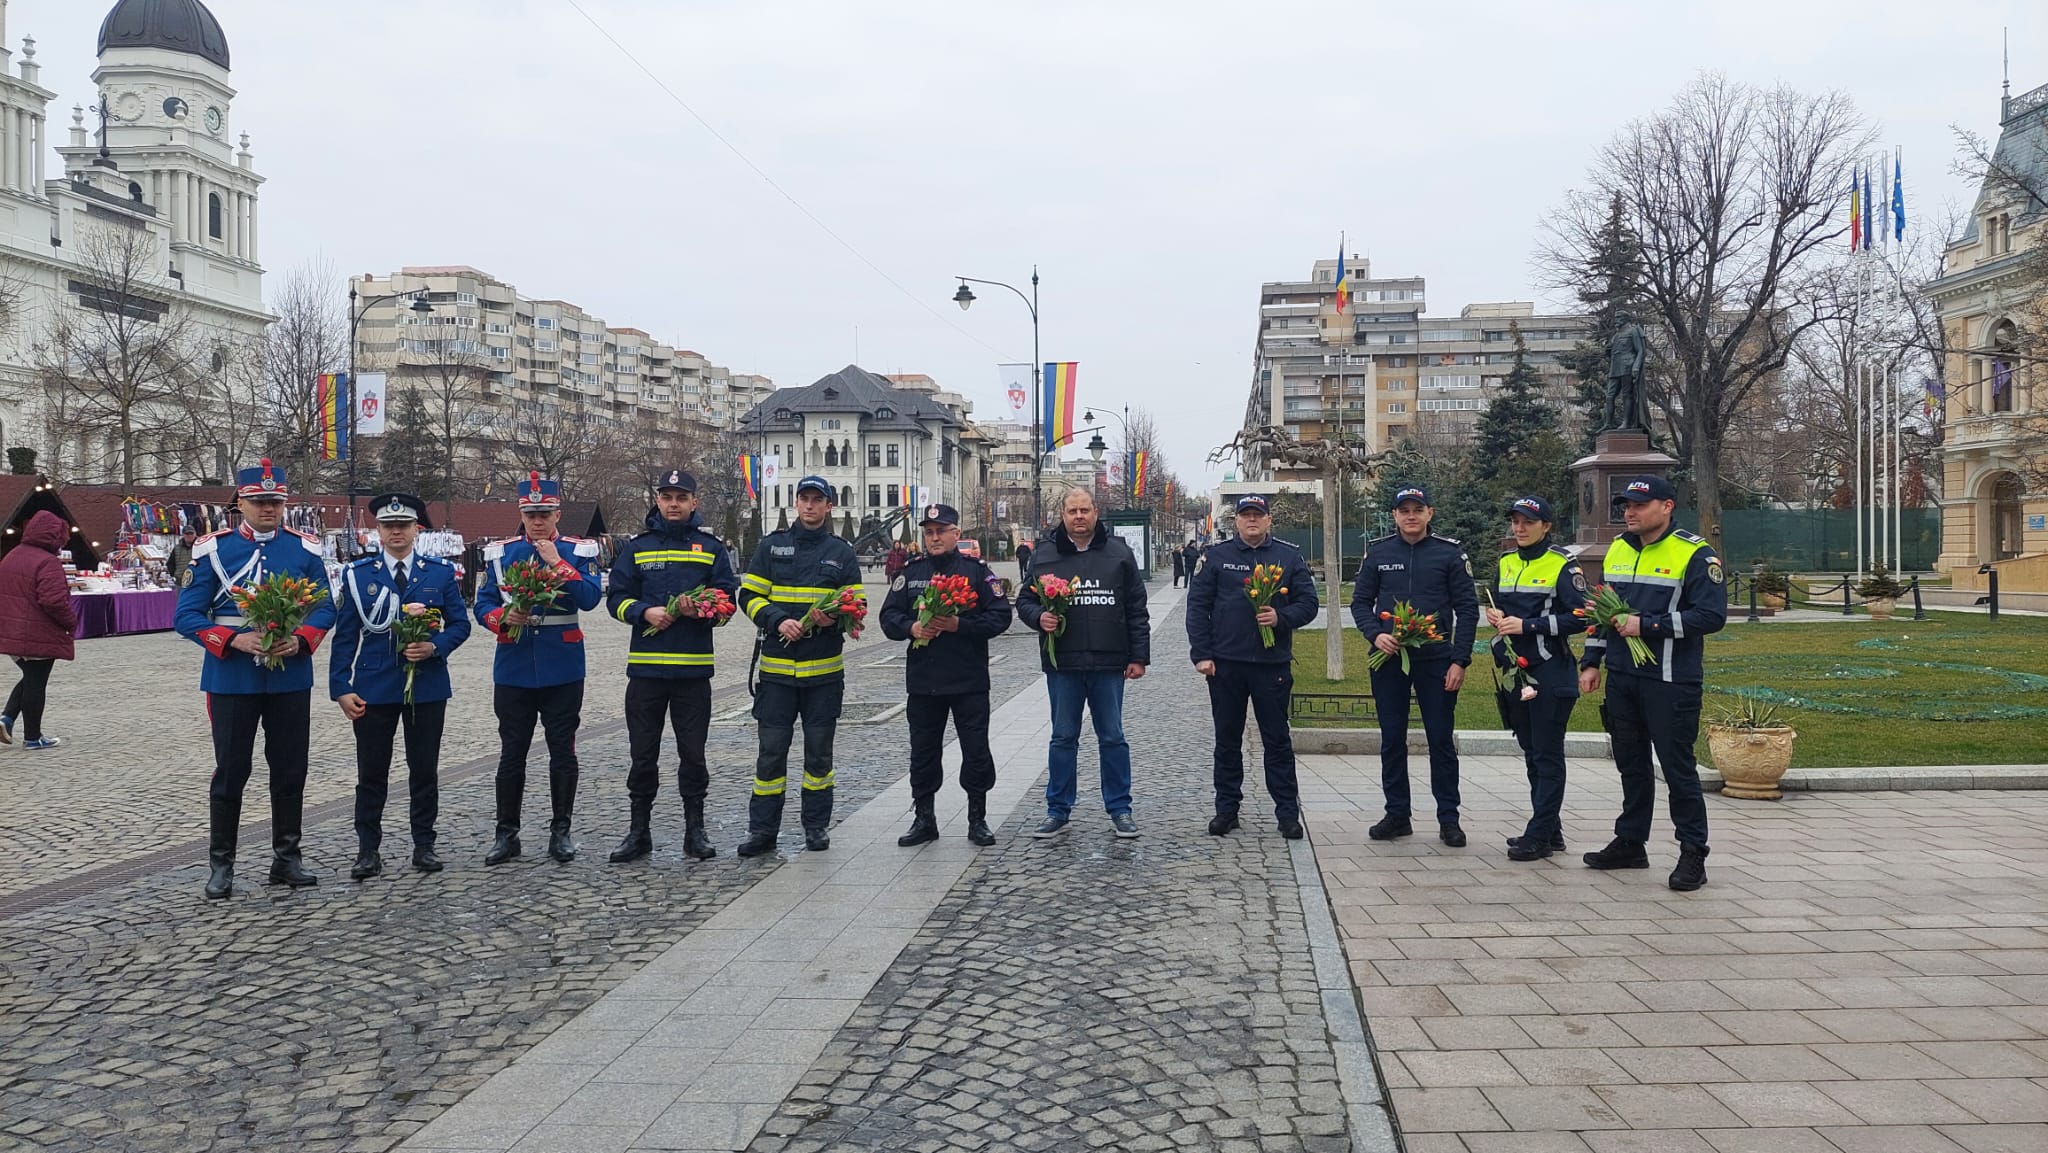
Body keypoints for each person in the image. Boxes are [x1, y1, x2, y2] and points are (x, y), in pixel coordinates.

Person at [175, 460, 338, 898]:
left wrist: (301, 639)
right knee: (231, 771)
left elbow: (325, 606)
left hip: (289, 676)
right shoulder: (213, 549)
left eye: (276, 502)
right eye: (259, 501)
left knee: (290, 769)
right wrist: (232, 639)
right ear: (241, 504)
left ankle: (287, 858)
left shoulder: (304, 549)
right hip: (232, 677)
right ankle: (221, 864)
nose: (269, 508)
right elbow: (186, 616)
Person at [1580, 475, 1727, 891]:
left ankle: (1693, 852)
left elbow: (1711, 616)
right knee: (1631, 765)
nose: (1630, 512)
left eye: (1639, 505)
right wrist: (1591, 660)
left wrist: (1647, 625)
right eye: (1626, 505)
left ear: (1666, 506)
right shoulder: (1619, 550)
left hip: (1670, 681)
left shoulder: (1695, 553)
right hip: (1623, 677)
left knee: (1678, 770)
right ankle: (1631, 842)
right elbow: (1602, 611)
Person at [330, 494, 472, 879]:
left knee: (424, 770)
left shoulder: (439, 573)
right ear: (378, 531)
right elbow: (345, 636)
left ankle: (424, 844)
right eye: (389, 526)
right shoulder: (358, 574)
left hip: (426, 685)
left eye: (403, 525)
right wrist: (340, 686)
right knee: (371, 773)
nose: (396, 532)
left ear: (416, 530)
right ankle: (367, 850)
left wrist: (435, 647)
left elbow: (461, 624)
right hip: (373, 686)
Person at [605, 469, 738, 863]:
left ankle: (695, 831)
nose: (674, 503)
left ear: (694, 502)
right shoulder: (638, 548)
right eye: (667, 497)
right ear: (657, 501)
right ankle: (638, 831)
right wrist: (644, 612)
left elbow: (727, 602)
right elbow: (616, 598)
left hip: (692, 674)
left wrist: (704, 611)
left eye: (681, 497)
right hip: (645, 673)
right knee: (642, 755)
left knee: (693, 756)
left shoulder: (710, 548)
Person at [474, 472, 606, 865]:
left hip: (562, 666)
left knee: (562, 750)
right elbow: (483, 603)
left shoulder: (577, 551)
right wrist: (501, 618)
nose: (537, 521)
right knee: (511, 753)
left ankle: (560, 832)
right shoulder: (502, 554)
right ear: (521, 514)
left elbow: (589, 598)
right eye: (531, 514)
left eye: (544, 514)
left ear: (557, 514)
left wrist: (558, 563)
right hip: (514, 666)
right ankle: (506, 834)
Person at [736, 475, 861, 856]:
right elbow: (748, 596)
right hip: (777, 675)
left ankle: (816, 826)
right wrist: (776, 620)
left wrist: (834, 618)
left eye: (817, 500)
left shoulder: (842, 553)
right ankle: (762, 831)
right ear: (796, 503)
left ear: (829, 506)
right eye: (804, 498)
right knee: (770, 755)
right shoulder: (771, 546)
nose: (809, 505)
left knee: (819, 757)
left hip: (823, 675)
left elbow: (857, 607)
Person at [1016, 487, 1150, 839]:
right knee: (1063, 737)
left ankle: (1120, 809)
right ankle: (1057, 810)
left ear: (1095, 513)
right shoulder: (1044, 554)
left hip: (1109, 662)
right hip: (1064, 664)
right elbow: (1024, 600)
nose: (1079, 516)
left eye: (1085, 510)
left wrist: (1138, 656)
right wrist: (1038, 617)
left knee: (1113, 738)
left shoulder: (1119, 552)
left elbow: (1136, 608)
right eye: (1072, 511)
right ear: (1063, 515)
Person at [1349, 485, 1478, 847]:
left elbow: (1468, 610)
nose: (1410, 516)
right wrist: (1376, 634)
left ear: (1429, 513)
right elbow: (1360, 603)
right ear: (1394, 515)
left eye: (1417, 510)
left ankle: (1449, 819)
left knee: (1440, 739)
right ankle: (1397, 815)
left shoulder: (1449, 554)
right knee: (1392, 738)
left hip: (1436, 660)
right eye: (1404, 510)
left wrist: (1460, 660)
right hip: (1389, 659)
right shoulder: (1378, 553)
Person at [879, 504, 1013, 847]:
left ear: (956, 533)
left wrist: (959, 625)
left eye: (941, 531)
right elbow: (888, 617)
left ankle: (977, 818)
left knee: (976, 751)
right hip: (924, 682)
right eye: (929, 532)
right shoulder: (911, 572)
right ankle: (924, 818)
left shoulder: (976, 573)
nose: (934, 538)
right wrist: (911, 627)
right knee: (923, 753)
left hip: (968, 679)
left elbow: (1000, 616)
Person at [1187, 495, 1318, 838]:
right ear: (1237, 521)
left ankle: (1287, 814)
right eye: (1245, 515)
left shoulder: (1288, 556)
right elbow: (1198, 607)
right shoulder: (1217, 556)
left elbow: (1309, 604)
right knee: (1227, 740)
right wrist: (1202, 654)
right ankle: (1226, 810)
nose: (1252, 521)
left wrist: (1281, 617)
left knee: (1277, 741)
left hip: (1271, 665)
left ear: (1269, 520)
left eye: (1258, 515)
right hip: (1226, 665)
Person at [1483, 496, 1587, 862]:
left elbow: (1581, 617)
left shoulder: (1562, 563)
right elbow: (1499, 607)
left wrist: (1529, 625)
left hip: (1550, 670)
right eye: (1515, 521)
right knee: (1531, 752)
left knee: (1547, 754)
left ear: (1546, 526)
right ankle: (1550, 830)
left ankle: (1539, 835)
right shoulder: (1507, 561)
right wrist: (1495, 617)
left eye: (1528, 521)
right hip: (1516, 672)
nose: (1520, 528)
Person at [0, 510, 78, 750]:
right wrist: (70, 622)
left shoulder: (12, 555)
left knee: (31, 677)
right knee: (36, 682)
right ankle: (33, 737)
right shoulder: (47, 562)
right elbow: (53, 601)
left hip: (11, 630)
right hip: (38, 631)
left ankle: (6, 719)